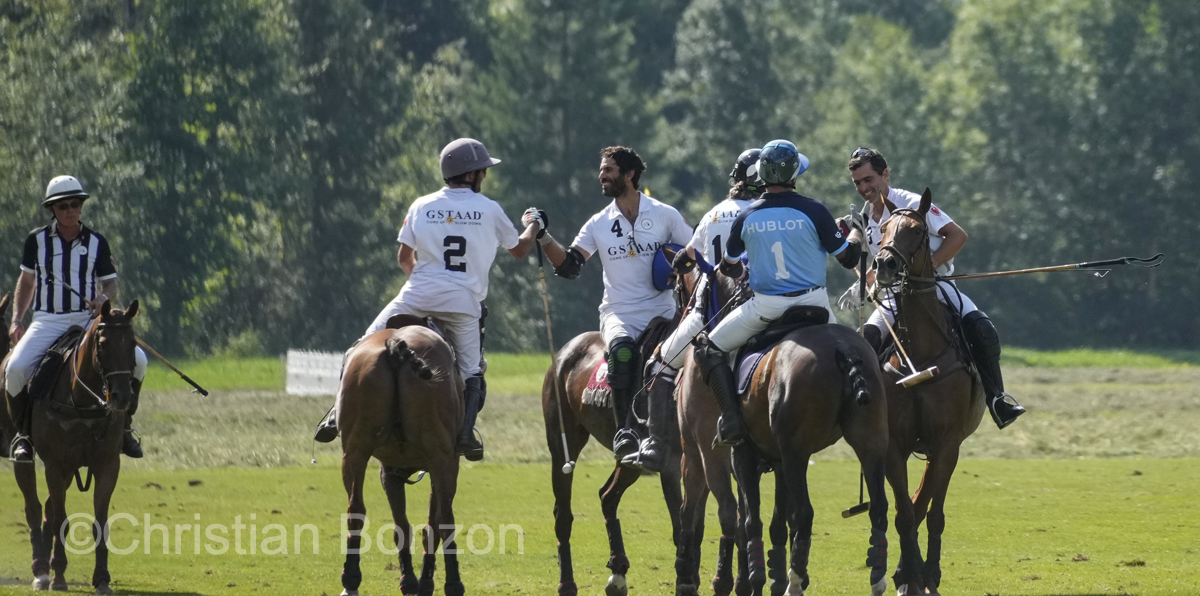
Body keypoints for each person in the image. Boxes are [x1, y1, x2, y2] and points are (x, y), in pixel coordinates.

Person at [313, 138, 543, 461]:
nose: (485, 176)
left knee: (358, 349)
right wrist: (534, 225)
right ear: (472, 174)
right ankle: (465, 433)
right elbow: (519, 249)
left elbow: (404, 257)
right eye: (482, 171)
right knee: (471, 371)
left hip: (416, 294)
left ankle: (337, 414)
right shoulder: (489, 209)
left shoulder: (421, 205)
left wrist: (426, 284)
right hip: (462, 303)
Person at [841, 147, 1025, 429]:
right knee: (861, 344)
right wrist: (863, 282)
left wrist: (930, 268)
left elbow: (957, 236)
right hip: (891, 297)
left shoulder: (912, 203)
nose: (864, 188)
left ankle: (997, 399)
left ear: (885, 175)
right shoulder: (865, 220)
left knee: (981, 328)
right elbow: (884, 265)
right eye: (858, 183)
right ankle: (855, 414)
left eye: (868, 179)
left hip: (933, 287)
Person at [532, 146, 693, 460]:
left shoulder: (665, 215)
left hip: (663, 311)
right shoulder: (598, 223)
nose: (601, 176)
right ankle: (626, 431)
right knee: (621, 351)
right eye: (602, 170)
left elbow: (694, 252)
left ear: (629, 175)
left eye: (608, 170)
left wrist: (679, 269)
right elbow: (570, 266)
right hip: (619, 313)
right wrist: (543, 237)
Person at [696, 140, 862, 446]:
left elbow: (729, 267)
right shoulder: (815, 210)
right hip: (816, 305)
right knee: (856, 352)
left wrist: (745, 269)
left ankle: (732, 420)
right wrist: (855, 232)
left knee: (707, 348)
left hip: (766, 307)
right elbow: (849, 258)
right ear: (794, 174)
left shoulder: (746, 217)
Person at [621, 148, 764, 471]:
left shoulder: (713, 214)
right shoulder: (765, 211)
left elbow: (686, 257)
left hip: (710, 314)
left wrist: (678, 264)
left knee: (658, 365)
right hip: (759, 308)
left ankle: (656, 444)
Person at [6, 175, 148, 462]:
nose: (70, 210)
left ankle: (125, 428)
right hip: (47, 320)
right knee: (15, 370)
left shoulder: (97, 242)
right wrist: (16, 319)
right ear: (52, 209)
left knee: (141, 362)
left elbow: (110, 285)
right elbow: (27, 282)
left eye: (75, 204)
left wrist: (101, 300)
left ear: (81, 206)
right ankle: (23, 436)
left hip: (86, 321)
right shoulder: (36, 240)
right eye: (63, 205)